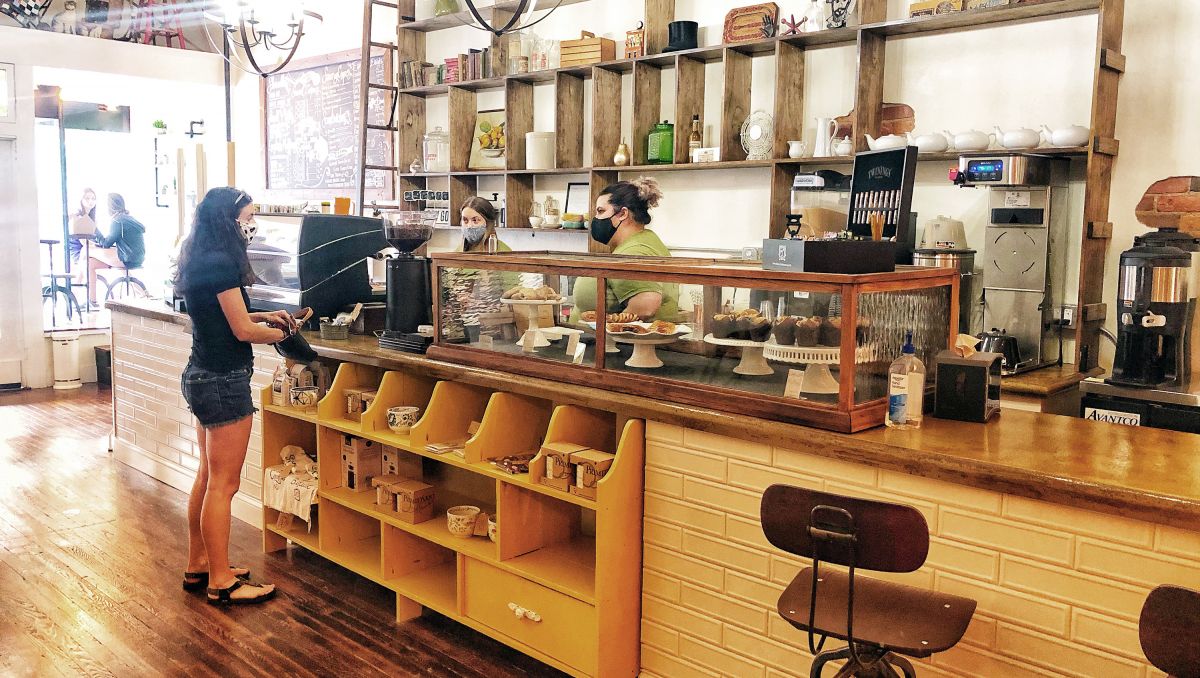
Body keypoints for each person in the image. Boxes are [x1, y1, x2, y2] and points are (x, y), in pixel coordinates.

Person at [173, 187, 296, 606]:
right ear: (230, 220)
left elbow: (227, 317)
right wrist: (282, 333)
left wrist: (262, 316)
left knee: (208, 478)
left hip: (201, 372)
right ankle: (222, 580)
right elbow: (242, 332)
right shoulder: (223, 262)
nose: (251, 223)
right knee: (224, 485)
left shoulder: (199, 256)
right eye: (247, 216)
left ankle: (200, 564)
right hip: (224, 381)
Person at [570, 178, 680, 322]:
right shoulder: (645, 241)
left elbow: (646, 304)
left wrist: (610, 326)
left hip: (612, 344)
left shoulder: (633, 252)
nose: (596, 218)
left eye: (601, 211)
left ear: (622, 213)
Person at [441, 197, 516, 342]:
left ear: (488, 223)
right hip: (458, 330)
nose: (469, 226)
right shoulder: (455, 255)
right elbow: (447, 294)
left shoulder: (503, 252)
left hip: (493, 331)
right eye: (465, 220)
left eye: (476, 220)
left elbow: (512, 293)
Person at [88, 193, 146, 306]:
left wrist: (94, 228)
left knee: (88, 249)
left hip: (127, 258)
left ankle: (78, 285)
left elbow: (106, 244)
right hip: (137, 257)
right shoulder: (128, 219)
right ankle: (92, 300)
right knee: (91, 264)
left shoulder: (117, 221)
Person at [68, 188, 98, 274]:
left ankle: (131, 282)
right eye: (87, 198)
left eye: (93, 198)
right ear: (81, 200)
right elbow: (84, 242)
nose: (90, 201)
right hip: (78, 252)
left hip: (88, 249)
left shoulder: (93, 219)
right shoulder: (76, 217)